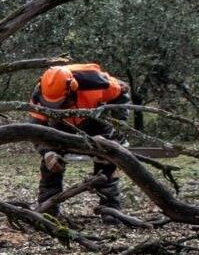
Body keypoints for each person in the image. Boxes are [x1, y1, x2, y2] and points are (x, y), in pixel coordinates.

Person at [28, 62, 130, 214]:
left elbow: (122, 93)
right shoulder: (39, 94)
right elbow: (36, 129)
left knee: (108, 157)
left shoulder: (95, 81)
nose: (55, 105)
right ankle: (48, 210)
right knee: (50, 163)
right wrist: (46, 152)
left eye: (59, 101)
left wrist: (118, 131)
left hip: (94, 117)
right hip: (60, 123)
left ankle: (111, 210)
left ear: (72, 88)